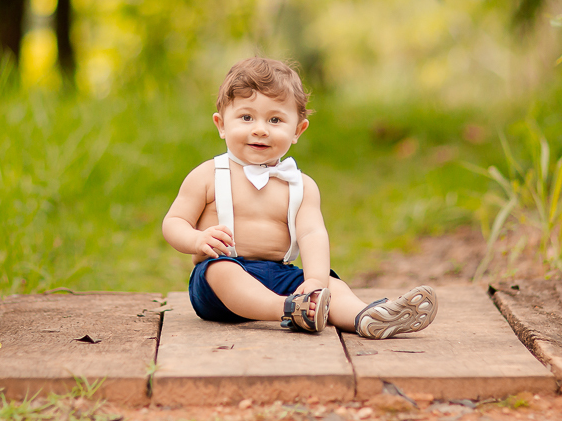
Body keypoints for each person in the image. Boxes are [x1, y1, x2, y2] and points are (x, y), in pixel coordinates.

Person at [162, 57, 437, 337]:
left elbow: (312, 234)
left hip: (278, 274)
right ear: (221, 124)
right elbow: (174, 222)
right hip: (218, 281)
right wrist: (197, 239)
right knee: (223, 273)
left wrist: (315, 279)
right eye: (246, 117)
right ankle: (289, 308)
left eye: (275, 119)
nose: (260, 128)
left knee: (331, 284)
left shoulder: (300, 185)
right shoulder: (209, 174)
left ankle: (366, 316)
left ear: (297, 130)